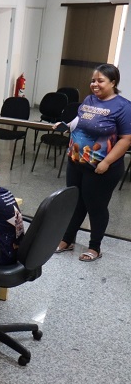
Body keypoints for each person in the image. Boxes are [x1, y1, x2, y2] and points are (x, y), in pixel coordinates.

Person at [55, 64, 131, 262]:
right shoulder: (90, 100)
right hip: (76, 161)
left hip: (101, 168)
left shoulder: (123, 106)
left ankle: (95, 247)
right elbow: (80, 121)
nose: (95, 84)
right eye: (93, 80)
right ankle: (67, 240)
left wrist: (106, 161)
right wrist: (65, 126)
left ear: (113, 82)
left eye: (100, 81)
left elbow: (126, 139)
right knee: (75, 203)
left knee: (95, 206)